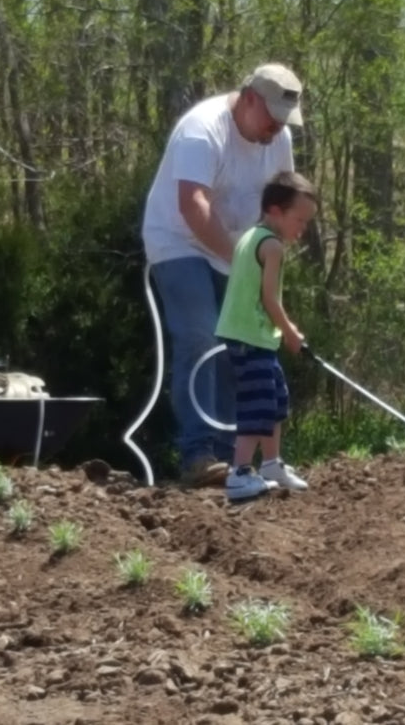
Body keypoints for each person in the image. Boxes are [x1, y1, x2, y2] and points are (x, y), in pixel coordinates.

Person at [142, 64, 303, 487]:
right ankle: (197, 454)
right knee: (200, 335)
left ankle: (238, 459)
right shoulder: (203, 129)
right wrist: (244, 259)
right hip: (178, 243)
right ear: (249, 99)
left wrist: (272, 255)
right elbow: (192, 204)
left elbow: (280, 203)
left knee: (245, 347)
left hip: (237, 252)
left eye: (282, 121)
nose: (276, 129)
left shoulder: (278, 138)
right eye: (270, 117)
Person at [215, 170, 316, 501]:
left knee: (275, 399)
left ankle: (271, 463)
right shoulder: (271, 245)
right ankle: (239, 473)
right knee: (257, 404)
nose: (301, 229)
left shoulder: (252, 236)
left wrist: (282, 332)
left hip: (256, 338)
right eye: (298, 220)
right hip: (249, 338)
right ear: (275, 210)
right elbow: (270, 298)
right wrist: (290, 333)